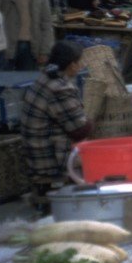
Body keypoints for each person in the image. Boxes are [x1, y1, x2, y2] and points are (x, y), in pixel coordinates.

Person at [20, 40, 92, 185]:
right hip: (48, 159)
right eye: (79, 62)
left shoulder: (44, 77)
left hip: (35, 151)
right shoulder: (60, 88)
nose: (81, 66)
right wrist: (92, 119)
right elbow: (79, 130)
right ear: (72, 65)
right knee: (99, 159)